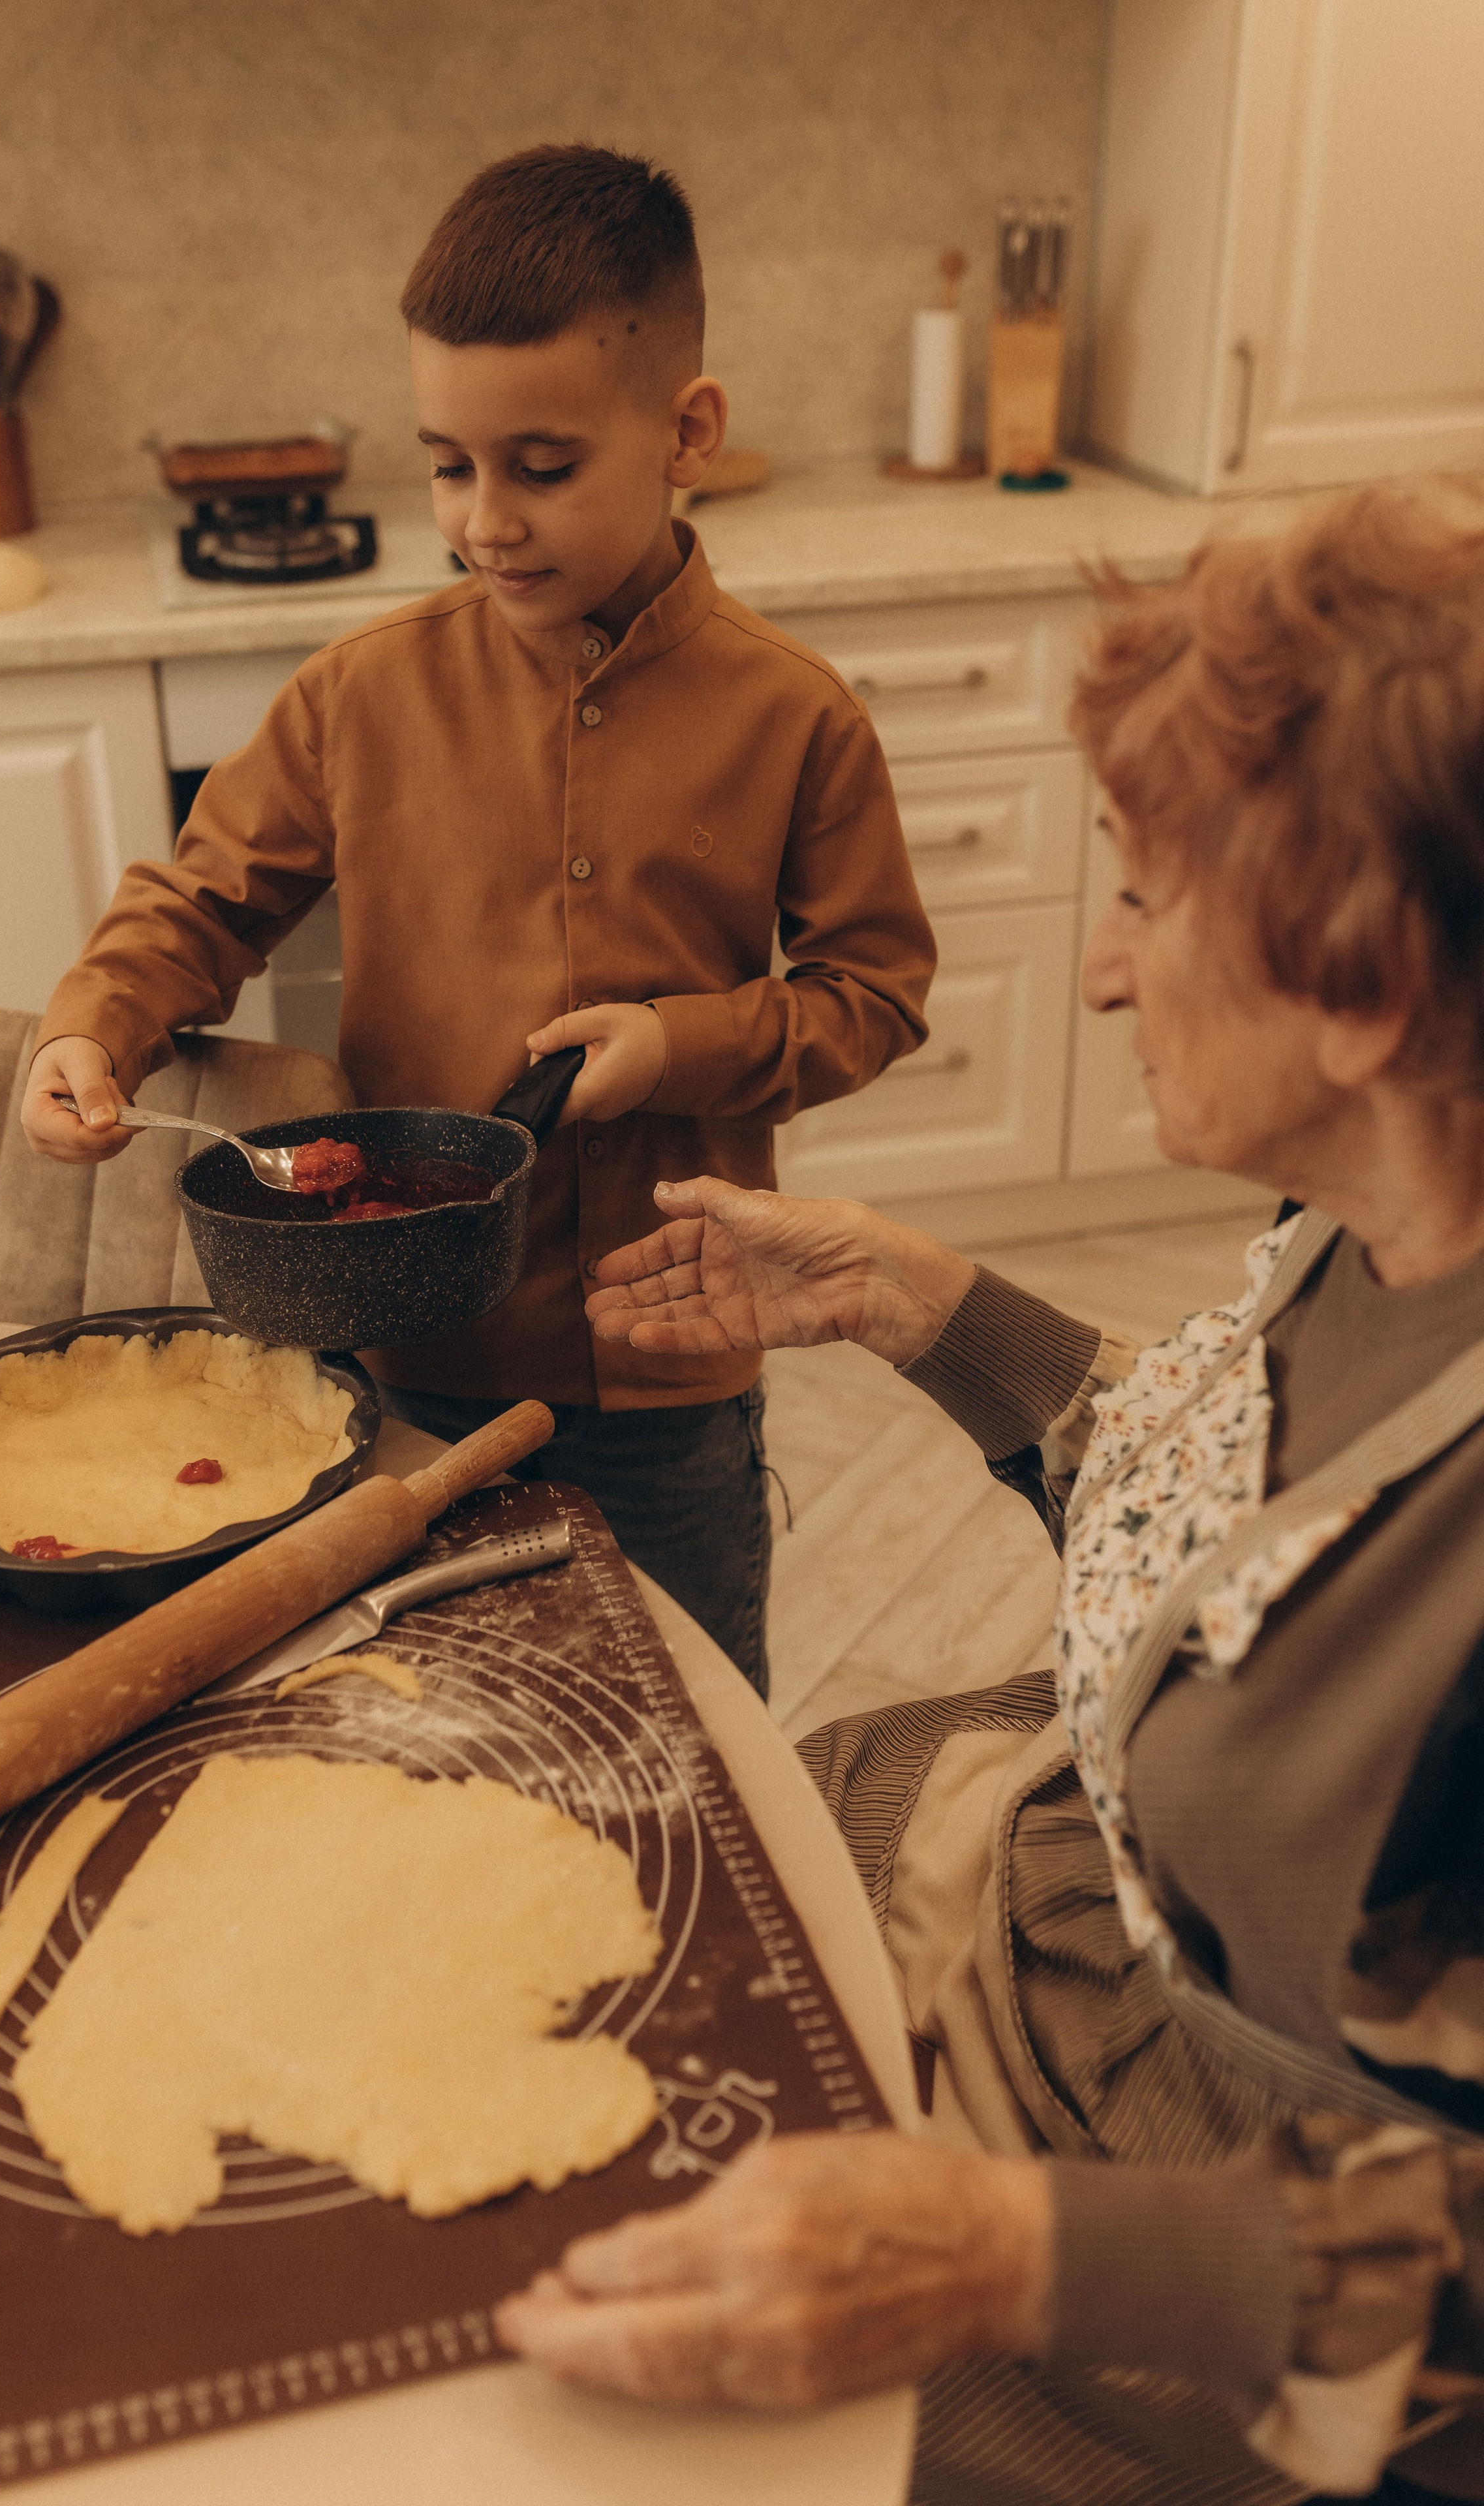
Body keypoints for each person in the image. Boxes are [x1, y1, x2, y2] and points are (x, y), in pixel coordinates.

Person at [496, 478, 1484, 2505]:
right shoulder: (1377, 1226)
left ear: (1368, 986)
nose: (1105, 973)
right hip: (1073, 1938)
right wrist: (914, 1301)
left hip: (1242, 2287)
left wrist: (1003, 2255)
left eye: (1140, 892)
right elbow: (1241, 1535)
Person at [18, 146, 934, 1699]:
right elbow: (198, 900)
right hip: (401, 1371)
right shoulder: (360, 694)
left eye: (543, 465)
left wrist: (678, 1045)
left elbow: (873, 996)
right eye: (449, 464)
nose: (483, 522)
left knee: (688, 1733)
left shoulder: (796, 717)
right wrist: (86, 1028)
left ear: (686, 432)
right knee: (429, 1716)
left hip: (670, 1373)